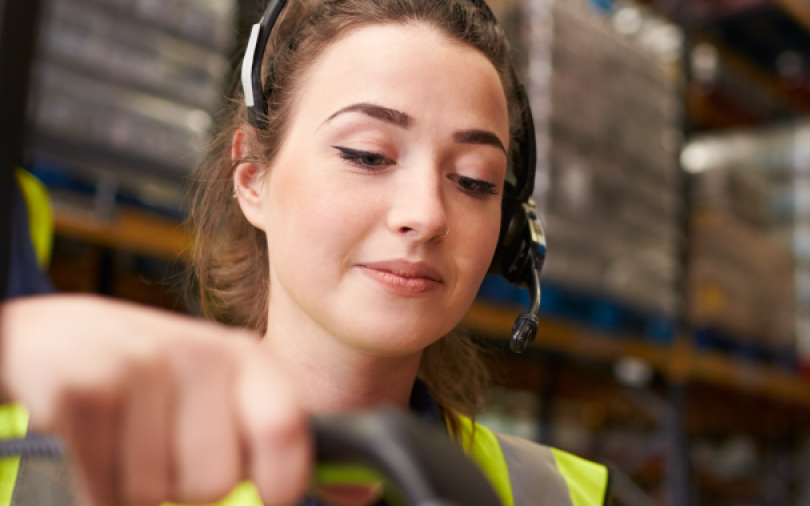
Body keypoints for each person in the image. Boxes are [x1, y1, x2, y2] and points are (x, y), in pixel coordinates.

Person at [0, 1, 610, 505]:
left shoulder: (567, 496)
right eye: (368, 156)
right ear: (252, 177)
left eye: (475, 180)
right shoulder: (37, 459)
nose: (425, 215)